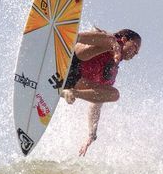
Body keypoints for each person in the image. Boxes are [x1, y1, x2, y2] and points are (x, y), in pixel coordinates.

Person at [60, 28, 141, 156]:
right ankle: (71, 35)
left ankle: (70, 92)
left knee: (114, 94)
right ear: (125, 40)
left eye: (137, 52)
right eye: (135, 46)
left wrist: (91, 134)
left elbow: (96, 103)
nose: (135, 53)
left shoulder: (111, 73)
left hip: (70, 81)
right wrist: (115, 46)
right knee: (109, 39)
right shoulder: (106, 39)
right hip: (70, 56)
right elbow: (108, 40)